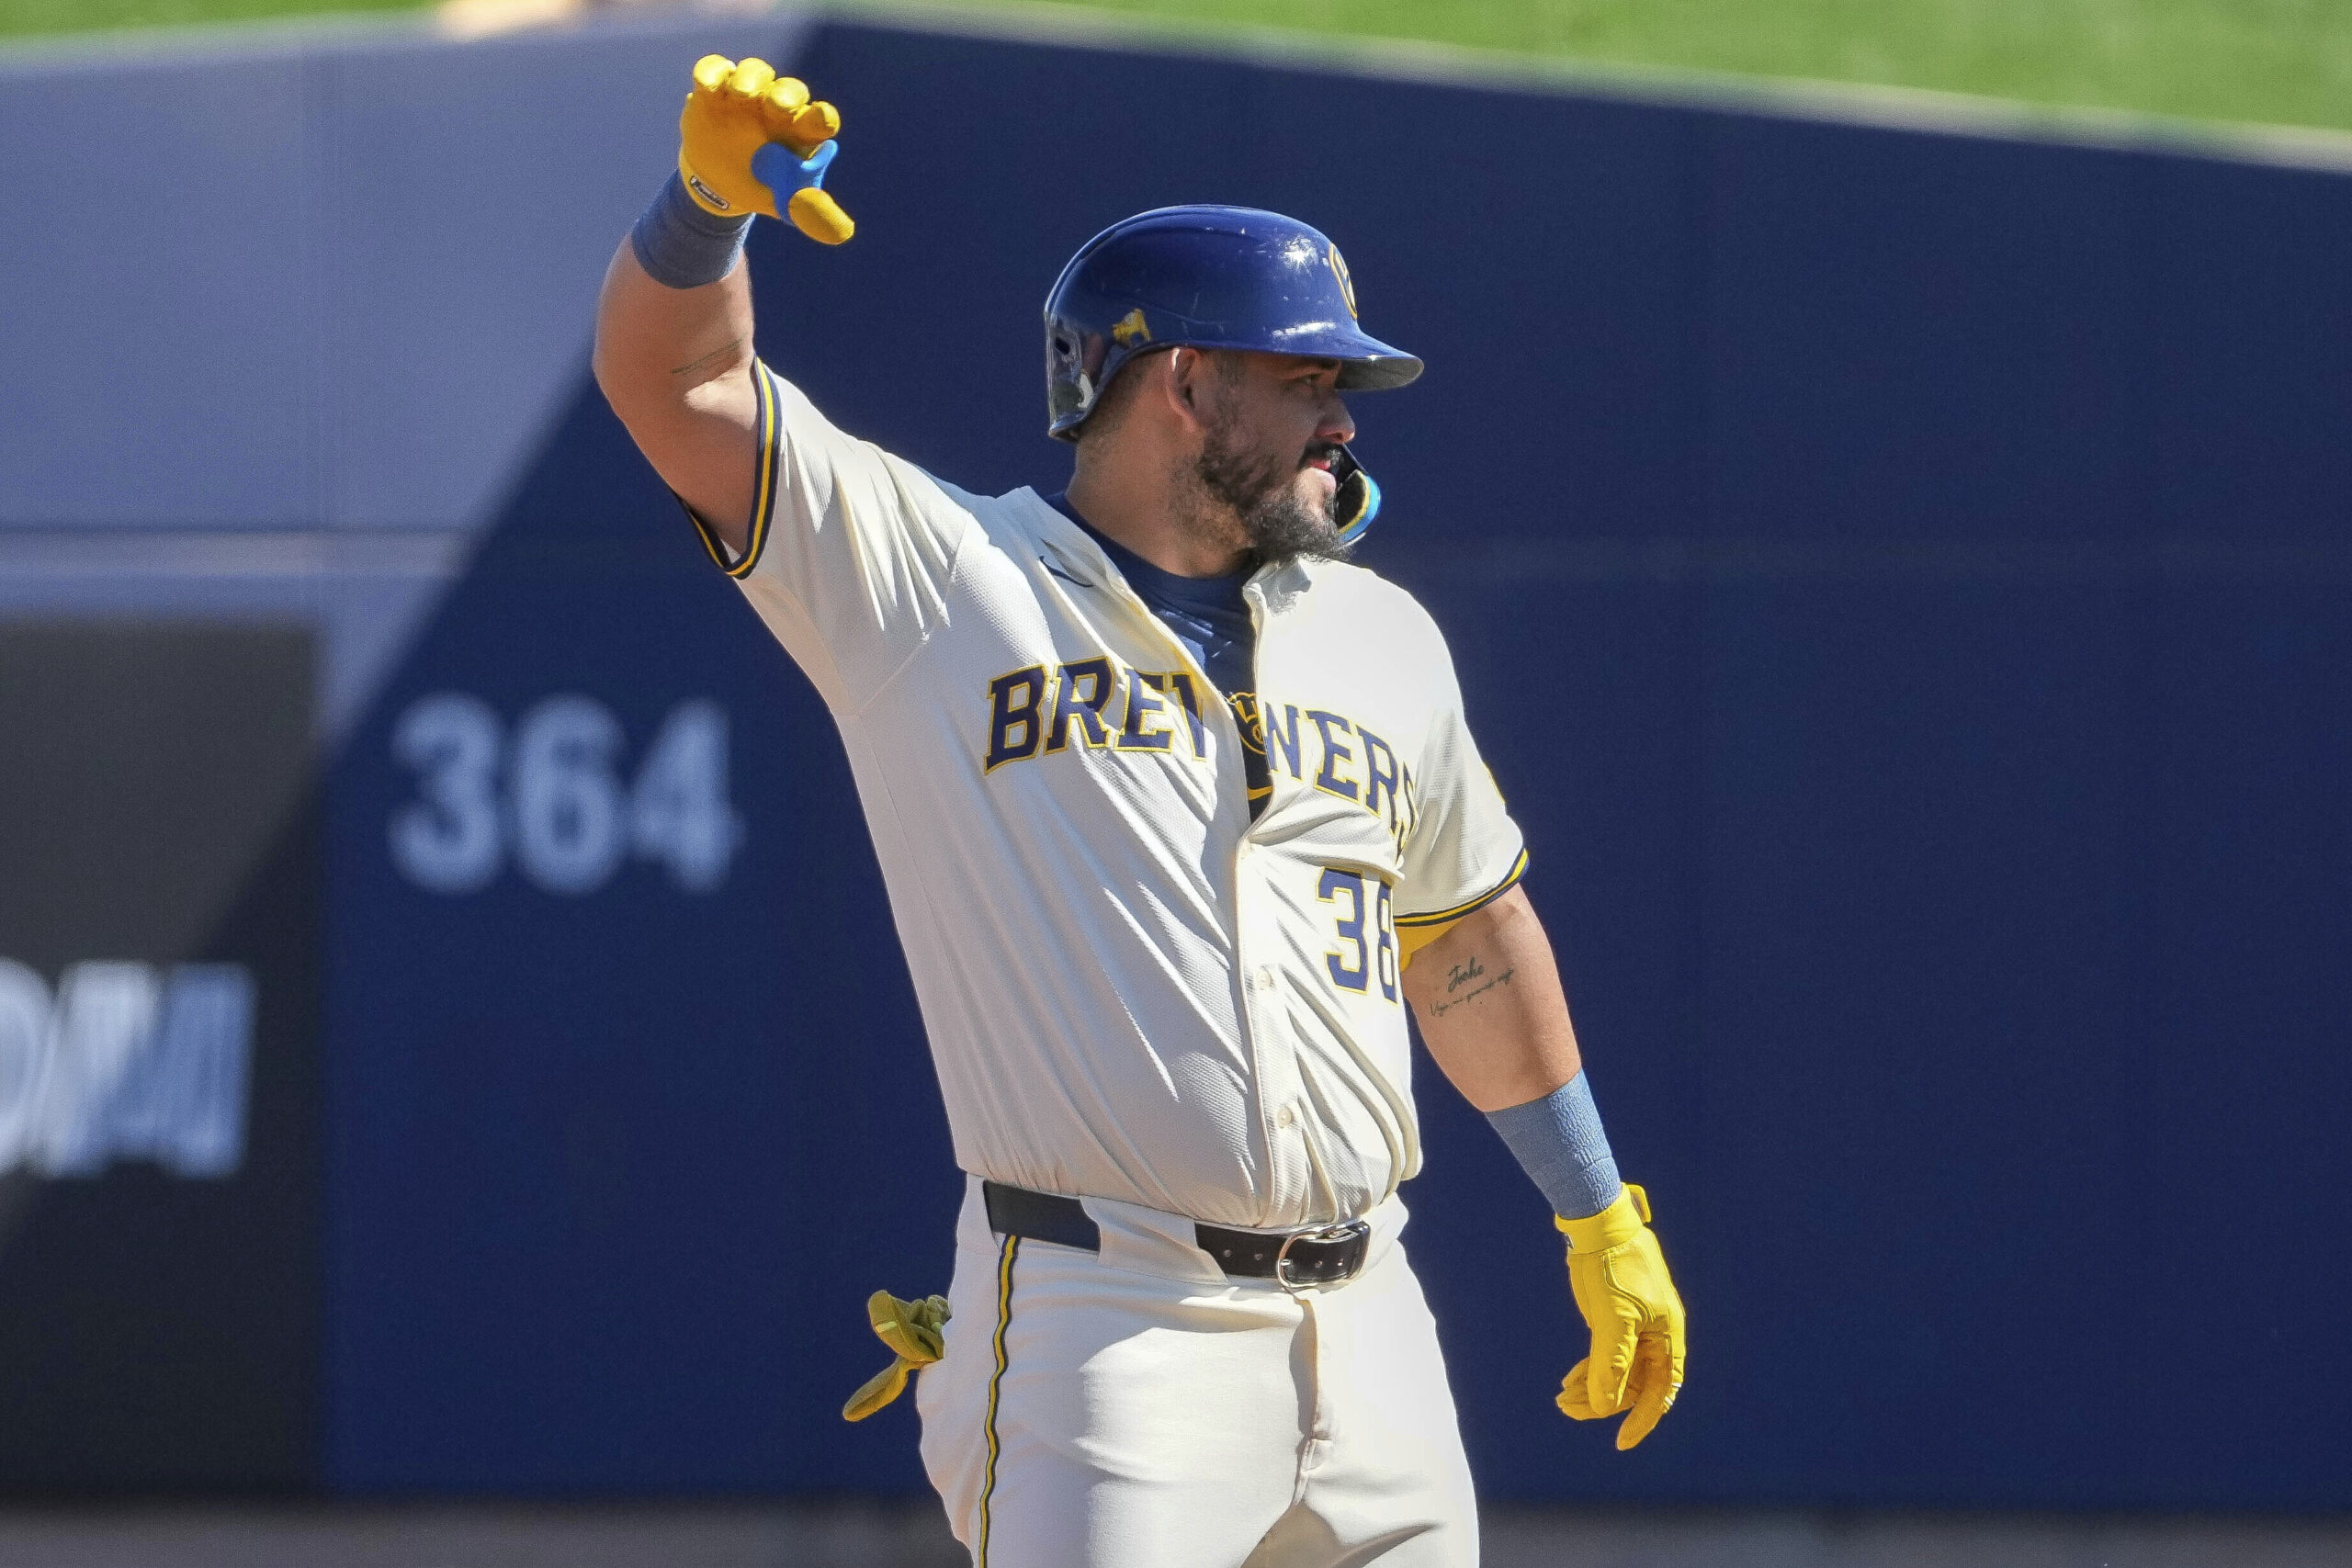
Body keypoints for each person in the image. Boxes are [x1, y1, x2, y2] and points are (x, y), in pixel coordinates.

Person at [594, 54, 1688, 1568]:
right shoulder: (941, 581)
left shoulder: (1383, 637)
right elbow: (682, 387)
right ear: (1183, 381)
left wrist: (1596, 1214)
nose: (1345, 426)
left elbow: (1467, 935)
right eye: (1311, 383)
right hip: (1110, 1325)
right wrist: (703, 209)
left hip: (1373, 1326)